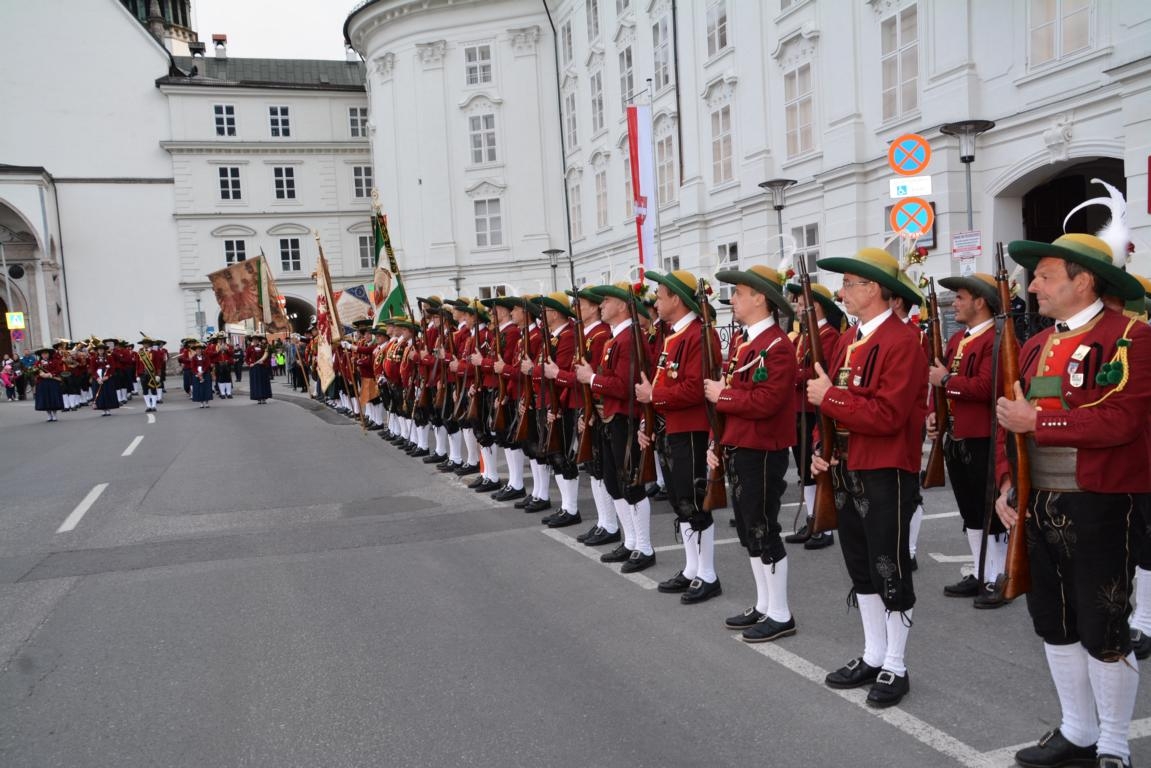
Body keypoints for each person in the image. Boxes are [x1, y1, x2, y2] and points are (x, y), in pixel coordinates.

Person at [995, 233, 1151, 768]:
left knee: (1103, 623)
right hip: (1037, 503)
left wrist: (1039, 422)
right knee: (1052, 621)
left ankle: (1113, 744)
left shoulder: (1132, 337)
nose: (1033, 286)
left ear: (1083, 280)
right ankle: (1078, 730)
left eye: (1044, 276)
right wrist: (1006, 485)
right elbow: (1006, 424)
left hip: (1100, 504)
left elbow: (1122, 420)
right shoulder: (1034, 345)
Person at [806, 247, 929, 708]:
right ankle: (874, 654)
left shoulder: (903, 341)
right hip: (846, 467)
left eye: (849, 284)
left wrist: (831, 399)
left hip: (884, 469)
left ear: (873, 288)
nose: (842, 292)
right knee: (860, 567)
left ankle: (896, 664)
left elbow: (887, 415)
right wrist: (821, 450)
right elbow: (827, 405)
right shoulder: (848, 338)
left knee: (888, 568)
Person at [706, 264, 798, 639]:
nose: (733, 300)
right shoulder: (745, 343)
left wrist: (723, 396)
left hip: (762, 448)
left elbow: (767, 401)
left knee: (763, 528)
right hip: (741, 445)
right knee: (748, 530)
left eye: (740, 293)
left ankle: (780, 613)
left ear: (760, 298)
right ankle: (763, 605)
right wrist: (716, 443)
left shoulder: (777, 346)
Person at [637, 269, 723, 604]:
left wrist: (653, 396)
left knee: (695, 501)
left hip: (691, 429)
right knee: (680, 501)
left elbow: (695, 389)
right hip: (671, 427)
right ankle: (692, 568)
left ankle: (708, 574)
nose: (656, 302)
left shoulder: (699, 335)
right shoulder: (674, 335)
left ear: (677, 298)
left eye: (660, 296)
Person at [925, 273, 1006, 608]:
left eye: (960, 297)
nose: (954, 303)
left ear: (980, 301)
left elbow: (987, 387)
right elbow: (938, 385)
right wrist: (934, 415)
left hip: (984, 438)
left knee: (991, 512)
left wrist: (947, 381)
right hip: (957, 436)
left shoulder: (997, 339)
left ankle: (998, 576)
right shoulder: (959, 338)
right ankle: (981, 570)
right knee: (970, 511)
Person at [575, 282, 656, 574]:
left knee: (631, 483)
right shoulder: (615, 338)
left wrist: (591, 379)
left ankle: (644, 547)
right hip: (610, 417)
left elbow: (623, 387)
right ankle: (630, 540)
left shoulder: (629, 338)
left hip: (625, 419)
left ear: (622, 306)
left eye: (607, 300)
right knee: (613, 482)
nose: (602, 305)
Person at [784, 280, 844, 551]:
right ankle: (812, 518)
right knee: (804, 469)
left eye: (801, 303)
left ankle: (824, 525)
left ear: (816, 306)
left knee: (817, 464)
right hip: (800, 409)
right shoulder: (804, 336)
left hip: (815, 410)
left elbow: (823, 371)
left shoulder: (828, 335)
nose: (797, 308)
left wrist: (793, 376)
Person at [31, 346, 65, 422]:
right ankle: (49, 415)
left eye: (46, 353)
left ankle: (54, 414)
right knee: (45, 399)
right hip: (42, 383)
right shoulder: (38, 363)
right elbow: (34, 372)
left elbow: (59, 370)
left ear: (49, 354)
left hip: (53, 382)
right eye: (43, 354)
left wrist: (51, 374)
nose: (45, 355)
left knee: (53, 398)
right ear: (41, 355)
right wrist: (40, 375)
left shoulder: (54, 361)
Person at [89, 342, 120, 416]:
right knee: (99, 394)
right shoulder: (93, 358)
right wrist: (97, 378)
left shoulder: (109, 357)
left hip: (107, 379)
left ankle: (108, 408)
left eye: (102, 349)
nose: (100, 351)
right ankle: (102, 409)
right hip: (98, 379)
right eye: (99, 349)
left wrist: (108, 376)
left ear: (104, 350)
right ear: (97, 350)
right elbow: (93, 370)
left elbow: (112, 368)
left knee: (107, 393)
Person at [246, 334, 272, 404]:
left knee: (263, 383)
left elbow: (267, 358)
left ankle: (264, 398)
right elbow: (246, 358)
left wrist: (263, 362)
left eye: (256, 340)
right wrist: (250, 363)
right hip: (254, 368)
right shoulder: (249, 348)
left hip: (262, 367)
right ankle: (258, 398)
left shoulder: (263, 347)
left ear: (258, 340)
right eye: (254, 340)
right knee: (256, 383)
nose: (255, 341)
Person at [189, 341, 214, 408]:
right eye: (197, 350)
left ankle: (207, 402)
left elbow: (207, 365)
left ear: (201, 350)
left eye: (200, 349)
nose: (199, 351)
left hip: (205, 374)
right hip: (197, 375)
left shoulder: (206, 357)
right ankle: (201, 403)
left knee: (206, 388)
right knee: (199, 389)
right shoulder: (193, 358)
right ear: (195, 351)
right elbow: (193, 367)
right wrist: (197, 373)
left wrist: (202, 372)